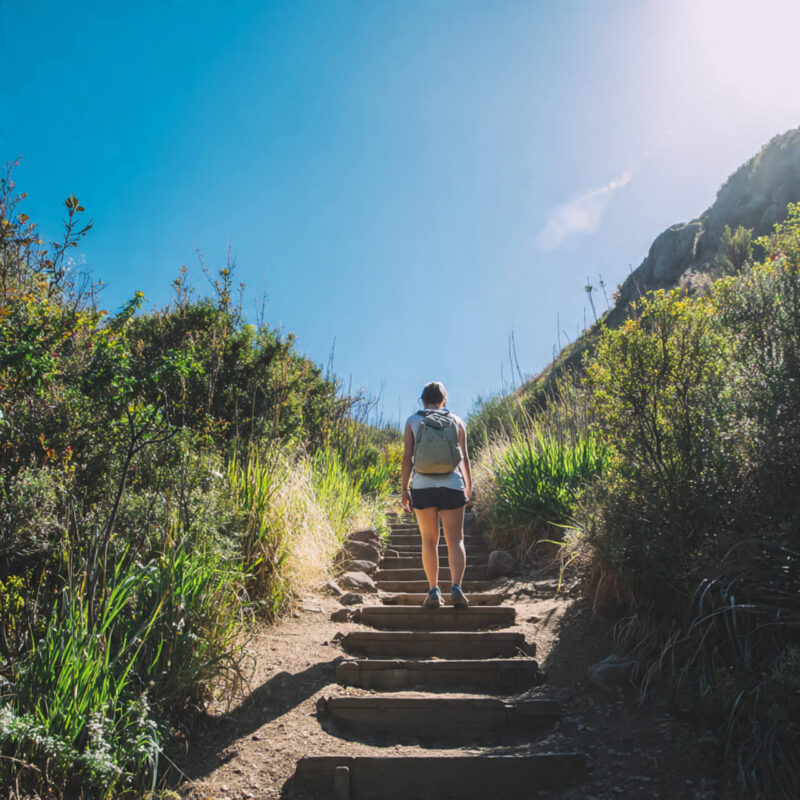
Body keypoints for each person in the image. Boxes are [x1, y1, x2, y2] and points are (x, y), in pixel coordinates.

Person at [401, 381, 473, 608]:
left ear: (422, 400)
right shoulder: (458, 421)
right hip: (453, 484)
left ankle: (433, 591)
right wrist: (468, 486)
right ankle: (457, 588)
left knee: (429, 540)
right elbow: (464, 458)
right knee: (456, 539)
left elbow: (407, 458)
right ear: (444, 400)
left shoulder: (413, 421)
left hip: (422, 486)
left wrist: (405, 489)